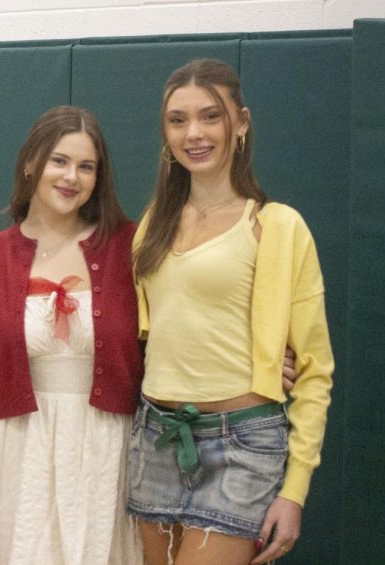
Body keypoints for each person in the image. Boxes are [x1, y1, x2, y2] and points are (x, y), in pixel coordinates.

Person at [127, 58, 334, 565]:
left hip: (241, 445)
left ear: (240, 122)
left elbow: (315, 370)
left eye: (210, 116)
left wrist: (295, 490)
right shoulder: (153, 224)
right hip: (155, 438)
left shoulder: (277, 226)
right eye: (178, 120)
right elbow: (148, 335)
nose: (193, 133)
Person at [0, 106, 144, 564]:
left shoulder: (129, 246)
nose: (72, 176)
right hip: (22, 441)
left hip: (105, 441)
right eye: (60, 161)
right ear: (31, 162)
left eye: (86, 166)